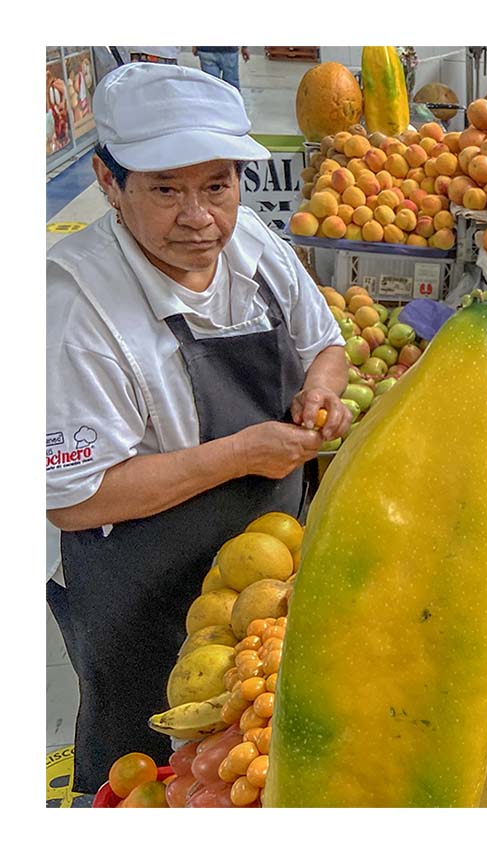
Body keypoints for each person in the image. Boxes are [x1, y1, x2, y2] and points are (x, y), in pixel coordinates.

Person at [45, 62, 351, 793]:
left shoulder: (251, 243)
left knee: (250, 767)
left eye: (217, 185)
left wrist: (320, 394)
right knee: (144, 773)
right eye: (165, 189)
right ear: (109, 181)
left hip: (268, 577)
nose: (200, 217)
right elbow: (73, 498)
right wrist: (244, 453)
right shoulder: (76, 305)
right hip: (142, 587)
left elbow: (328, 347)